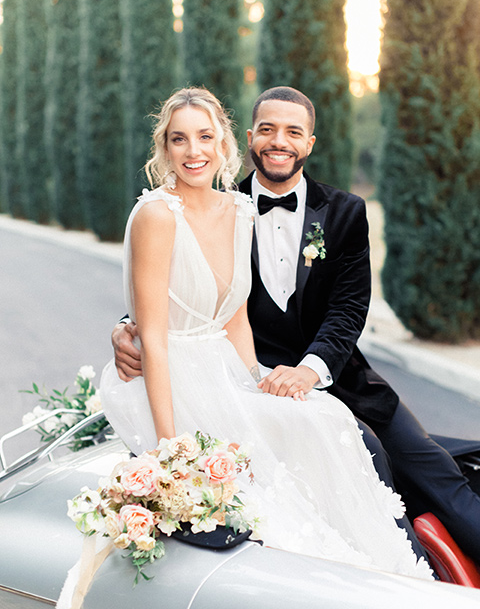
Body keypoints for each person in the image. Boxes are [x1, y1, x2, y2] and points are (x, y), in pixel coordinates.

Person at [112, 86, 480, 568]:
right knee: (356, 466)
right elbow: (181, 293)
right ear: (246, 140)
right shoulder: (222, 202)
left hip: (336, 377)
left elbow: (349, 308)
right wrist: (127, 326)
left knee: (430, 469)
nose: (278, 141)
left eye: (293, 132)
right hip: (250, 385)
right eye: (267, 129)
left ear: (309, 143)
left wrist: (310, 369)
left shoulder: (345, 211)